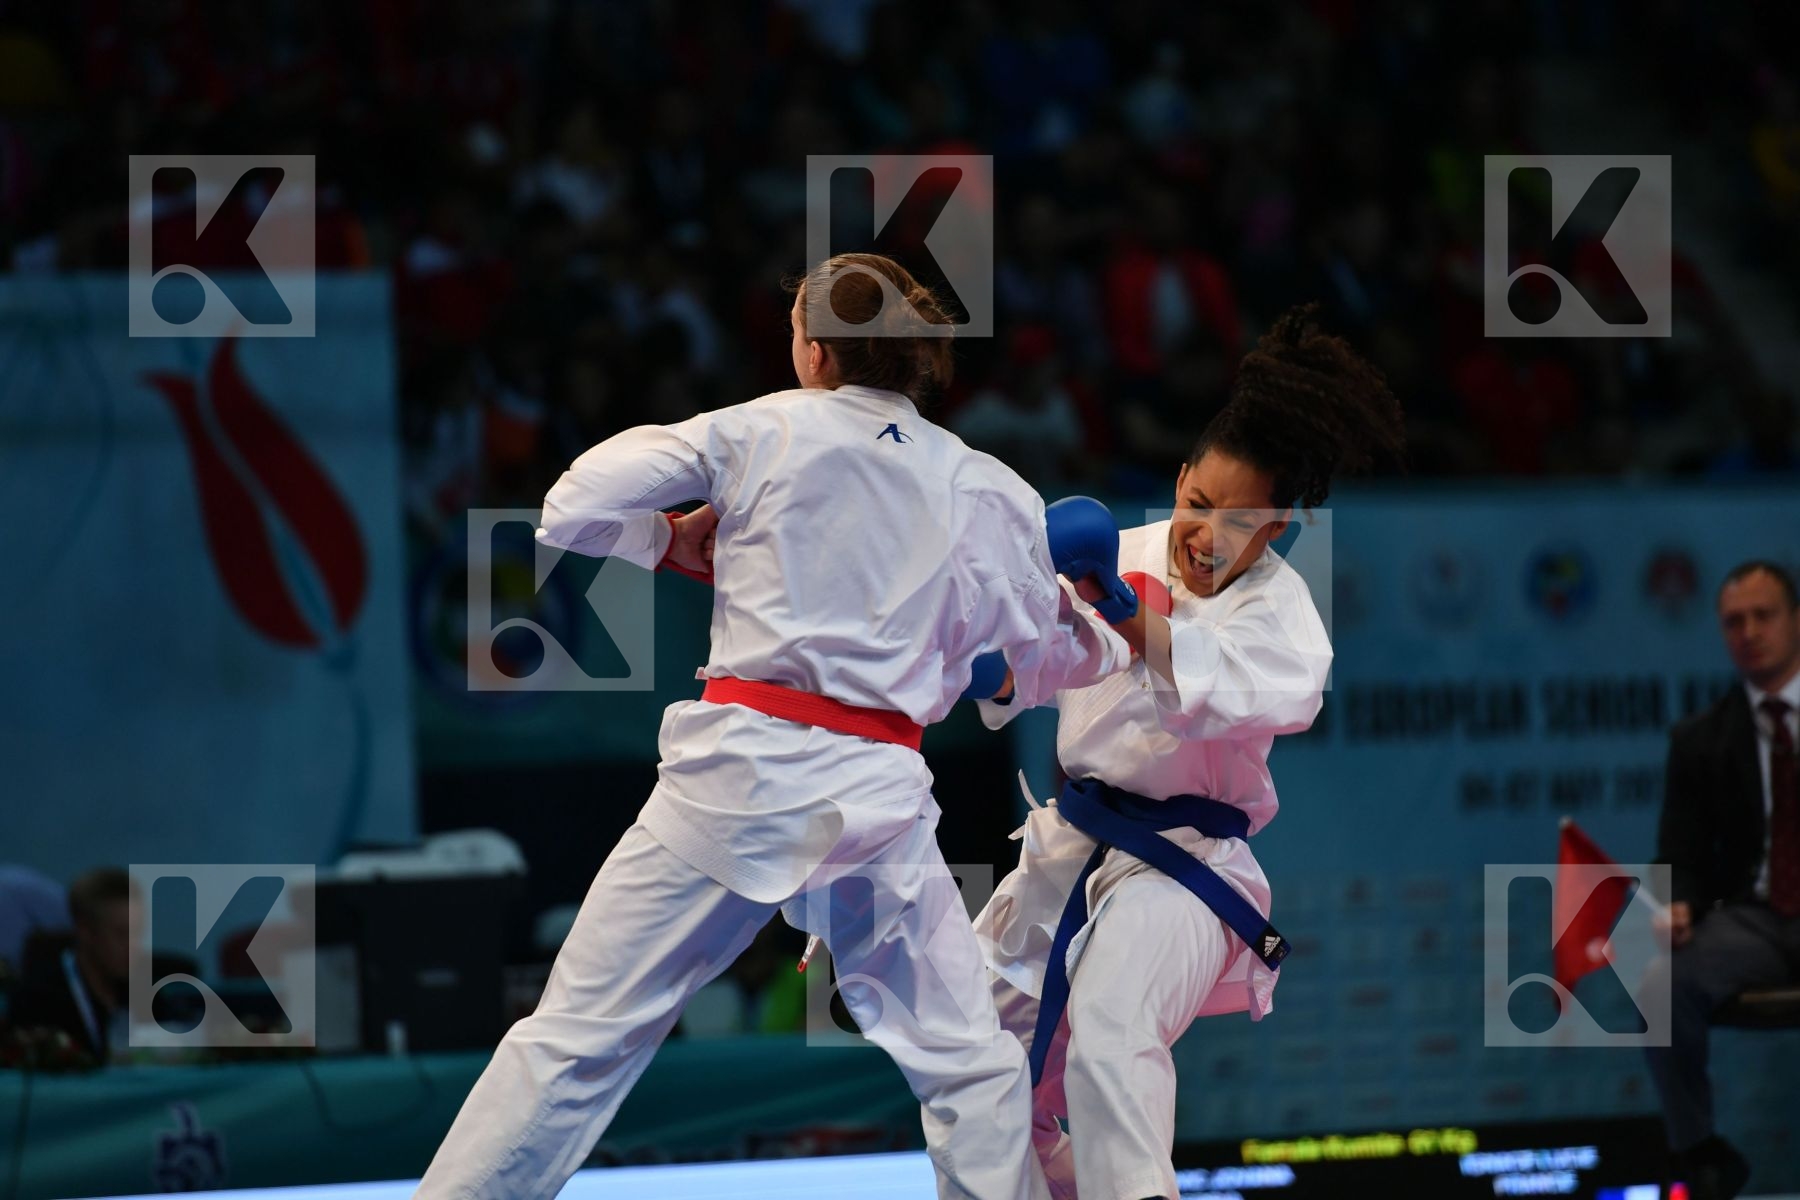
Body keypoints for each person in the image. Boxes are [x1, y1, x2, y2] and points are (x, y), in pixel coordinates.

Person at [415, 252, 1131, 1200]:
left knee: (576, 1041)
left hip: (740, 779)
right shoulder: (984, 484)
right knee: (967, 1064)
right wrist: (1095, 612)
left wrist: (664, 539)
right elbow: (1062, 659)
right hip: (877, 797)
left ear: (814, 348)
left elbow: (573, 506)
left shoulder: (762, 430)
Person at [970, 306, 1404, 1200]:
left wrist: (1135, 621)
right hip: (1067, 851)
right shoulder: (1112, 551)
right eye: (1196, 504)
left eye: (1235, 523)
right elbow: (1039, 666)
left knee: (1111, 1018)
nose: (1203, 536)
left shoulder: (1281, 616)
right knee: (976, 1069)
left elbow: (1266, 694)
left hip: (1184, 872)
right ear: (1177, 480)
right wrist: (992, 670)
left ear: (1276, 529)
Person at [1645, 559, 1800, 1200]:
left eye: (1763, 615)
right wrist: (1678, 904)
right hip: (1756, 918)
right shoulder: (1701, 738)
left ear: (1795, 621)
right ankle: (1701, 1154)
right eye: (1734, 621)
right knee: (1657, 985)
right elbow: (1678, 851)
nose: (1749, 631)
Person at [10, 868, 131, 1061]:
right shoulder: (37, 1002)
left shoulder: (149, 995)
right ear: (85, 932)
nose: (135, 946)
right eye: (122, 935)